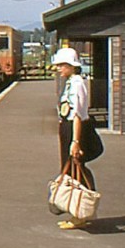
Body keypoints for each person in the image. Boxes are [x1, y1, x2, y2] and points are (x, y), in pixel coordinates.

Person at [52, 46, 95, 229]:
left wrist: (75, 141)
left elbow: (77, 114)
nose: (58, 68)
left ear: (71, 65)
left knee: (77, 170)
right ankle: (77, 212)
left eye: (62, 65)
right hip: (68, 129)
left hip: (74, 130)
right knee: (72, 171)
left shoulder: (77, 83)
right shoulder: (71, 81)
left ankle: (81, 212)